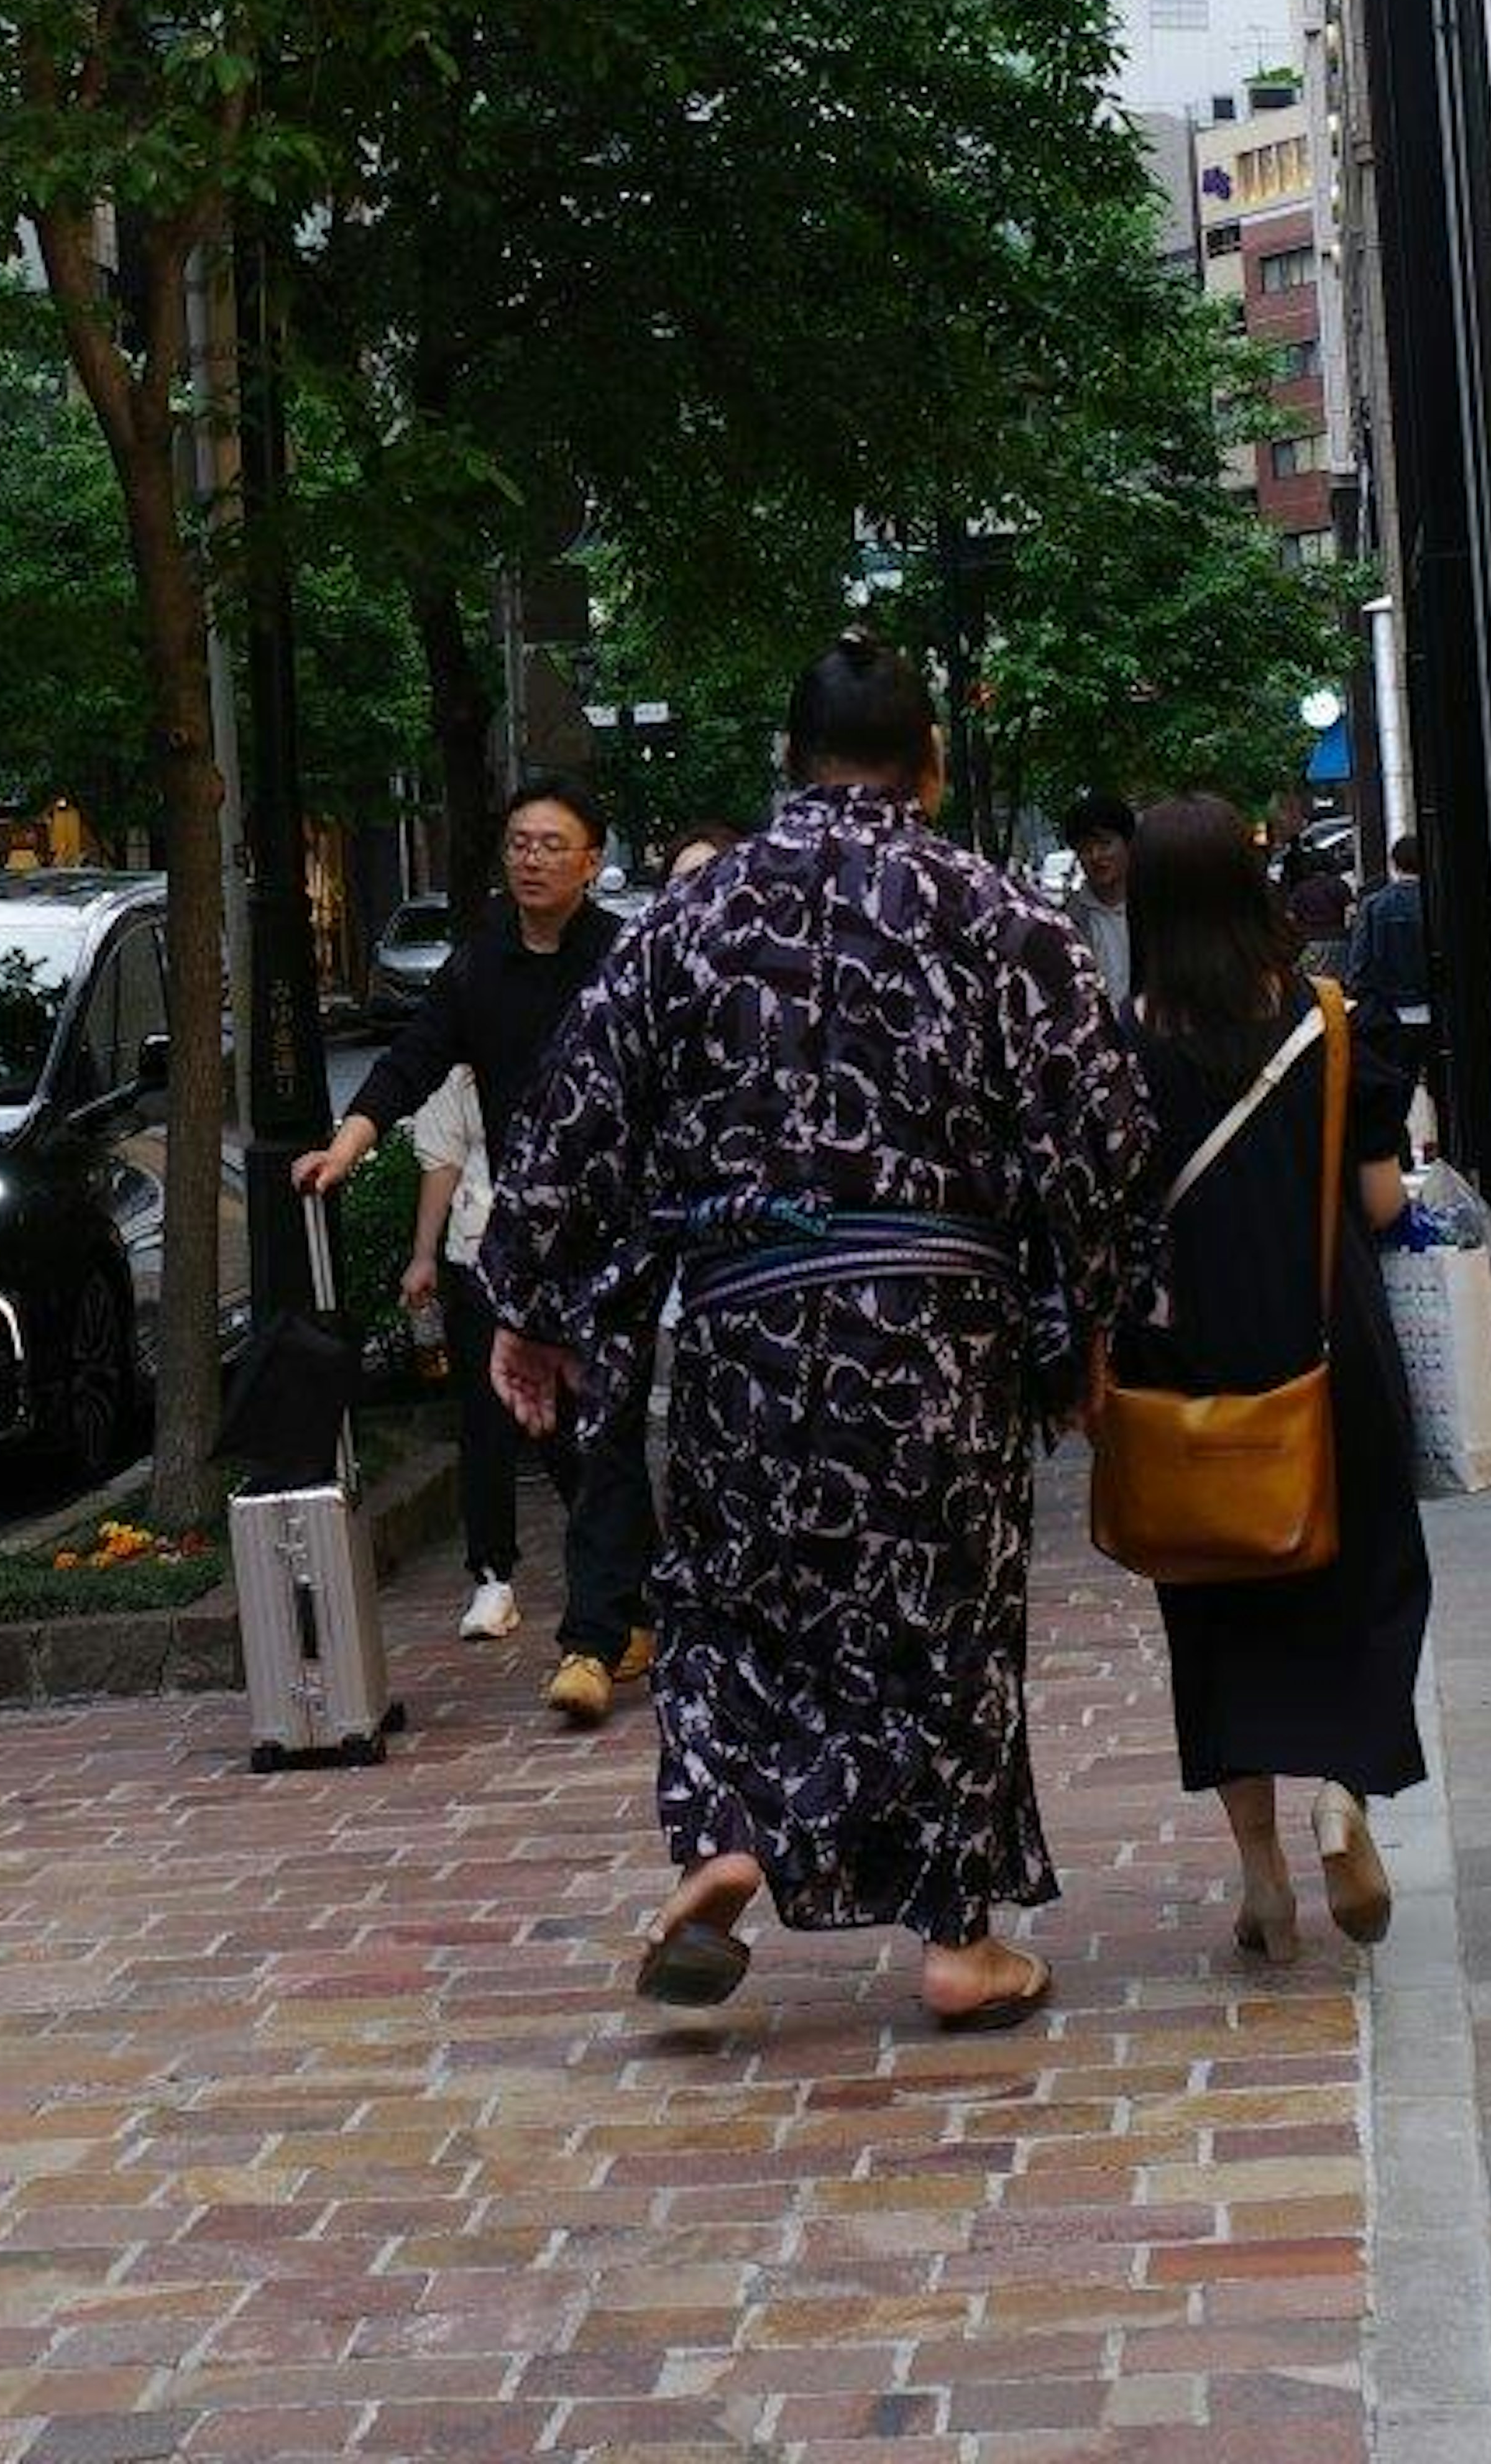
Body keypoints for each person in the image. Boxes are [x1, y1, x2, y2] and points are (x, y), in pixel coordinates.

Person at [481, 637, 1155, 2031]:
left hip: (744, 1336)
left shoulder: (690, 919)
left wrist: (535, 1308)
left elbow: (570, 1118)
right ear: (931, 764)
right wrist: (1082, 1319)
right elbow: (1095, 1135)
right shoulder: (995, 916)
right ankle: (960, 1938)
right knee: (945, 1626)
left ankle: (731, 1836)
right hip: (934, 1337)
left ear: (787, 765)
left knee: (737, 1612)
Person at [1121, 794, 1430, 1958]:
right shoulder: (1331, 1024)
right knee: (1365, 1582)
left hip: (1189, 1376)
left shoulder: (1125, 1045)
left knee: (1215, 1616)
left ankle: (1262, 1883)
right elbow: (1382, 1203)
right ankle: (1345, 1794)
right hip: (1331, 1358)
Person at [296, 776, 655, 1722]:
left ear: (592, 860)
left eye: (552, 844)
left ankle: (590, 1639)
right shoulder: (479, 964)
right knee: (565, 1435)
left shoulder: (626, 960)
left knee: (605, 1424)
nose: (531, 858)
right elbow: (412, 1059)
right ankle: (638, 1600)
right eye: (519, 843)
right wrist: (348, 1141)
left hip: (617, 1234)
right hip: (523, 1234)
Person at [402, 1064, 528, 1639]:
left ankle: (619, 1572)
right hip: (478, 1252)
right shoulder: (455, 1068)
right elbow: (442, 1161)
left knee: (581, 1416)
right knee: (486, 1417)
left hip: (565, 1246)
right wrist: (425, 1254)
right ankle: (493, 1574)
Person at [1347, 834, 1433, 1133]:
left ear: (1394, 864)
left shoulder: (1375, 905)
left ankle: (1400, 1146)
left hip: (1392, 1013)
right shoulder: (1440, 899)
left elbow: (1361, 965)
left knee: (1397, 1085)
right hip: (1436, 1008)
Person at [1062, 790, 1137, 1000]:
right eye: (1085, 849)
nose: (1096, 856)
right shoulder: (1070, 920)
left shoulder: (1156, 905)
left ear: (1128, 844)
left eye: (1105, 844)